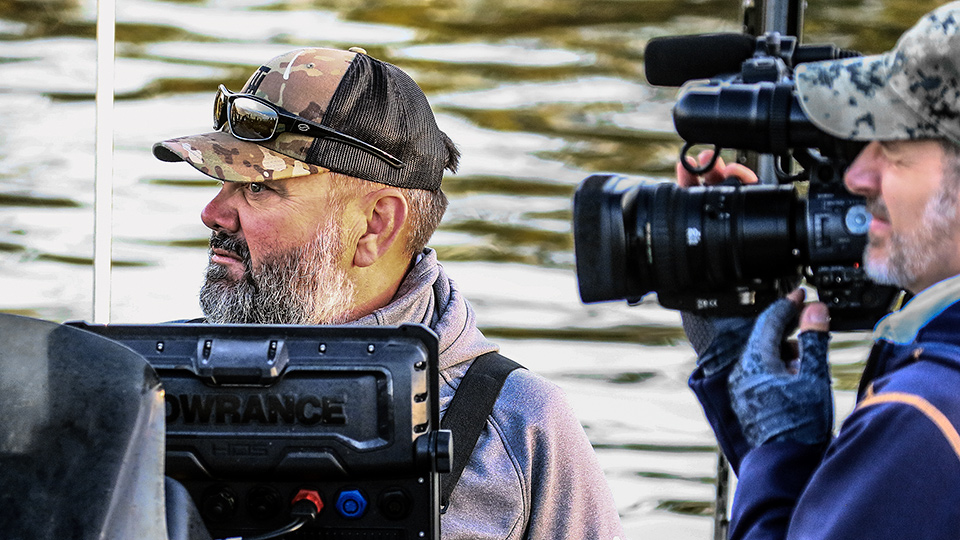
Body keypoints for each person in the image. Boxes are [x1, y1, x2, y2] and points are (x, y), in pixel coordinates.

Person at [152, 47, 623, 540]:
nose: (212, 213)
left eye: (257, 189)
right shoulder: (147, 392)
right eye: (224, 183)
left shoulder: (520, 428)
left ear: (375, 225)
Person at [678, 3, 960, 539]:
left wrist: (778, 448)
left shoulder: (921, 421)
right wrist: (764, 432)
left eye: (894, 149)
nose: (858, 175)